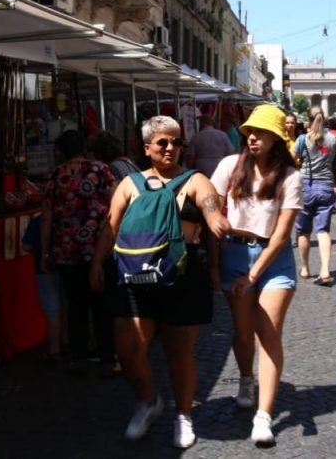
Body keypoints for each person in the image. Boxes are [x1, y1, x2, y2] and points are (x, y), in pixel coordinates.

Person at [90, 116, 231, 448]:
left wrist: (215, 244)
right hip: (134, 277)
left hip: (183, 277)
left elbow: (212, 211)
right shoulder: (128, 184)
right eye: (163, 143)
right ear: (147, 147)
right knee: (129, 348)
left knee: (179, 350)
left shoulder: (195, 180)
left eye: (177, 142)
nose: (171, 148)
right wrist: (97, 262)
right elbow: (110, 228)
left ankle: (183, 415)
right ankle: (148, 400)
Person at [211, 104, 303, 447]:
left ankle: (264, 414)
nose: (252, 137)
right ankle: (246, 379)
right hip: (234, 253)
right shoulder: (229, 166)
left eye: (260, 132)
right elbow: (210, 203)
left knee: (268, 333)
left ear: (277, 138)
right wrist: (214, 262)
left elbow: (281, 236)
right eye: (249, 131)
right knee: (242, 331)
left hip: (274, 260)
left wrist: (253, 274)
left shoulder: (290, 176)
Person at [40, 130, 117, 377]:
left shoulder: (54, 176)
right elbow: (116, 205)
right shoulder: (101, 170)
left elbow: (47, 218)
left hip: (66, 250)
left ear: (61, 150)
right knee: (102, 305)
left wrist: (45, 251)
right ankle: (107, 357)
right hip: (99, 248)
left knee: (76, 305)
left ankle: (78, 357)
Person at [293, 105, 336, 285]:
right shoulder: (333, 140)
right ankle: (325, 269)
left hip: (305, 185)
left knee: (303, 231)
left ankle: (305, 268)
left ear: (309, 119)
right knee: (323, 231)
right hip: (326, 186)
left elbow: (291, 159)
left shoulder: (301, 139)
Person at [22, 215, 66, 361]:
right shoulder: (68, 218)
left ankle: (55, 351)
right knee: (67, 307)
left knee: (52, 311)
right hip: (66, 266)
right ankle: (68, 344)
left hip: (44, 271)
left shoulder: (37, 221)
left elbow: (26, 246)